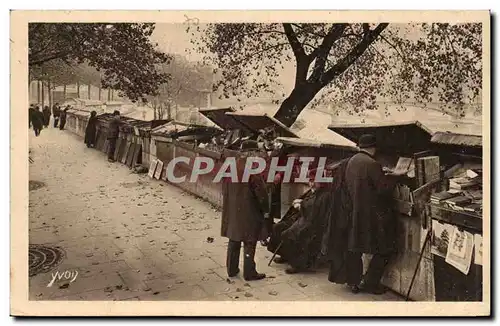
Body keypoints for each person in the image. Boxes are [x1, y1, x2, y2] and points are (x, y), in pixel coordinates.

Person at [327, 134, 407, 295]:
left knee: (354, 248)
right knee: (385, 248)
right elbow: (383, 189)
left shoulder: (353, 161)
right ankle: (370, 283)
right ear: (374, 148)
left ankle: (353, 282)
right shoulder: (372, 163)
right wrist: (395, 176)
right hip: (372, 215)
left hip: (355, 212)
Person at [221, 141, 272, 281]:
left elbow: (223, 187)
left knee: (234, 238)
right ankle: (249, 272)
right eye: (255, 152)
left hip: (233, 209)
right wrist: (266, 209)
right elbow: (261, 193)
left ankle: (232, 269)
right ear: (250, 153)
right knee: (250, 241)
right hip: (249, 211)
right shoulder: (252, 169)